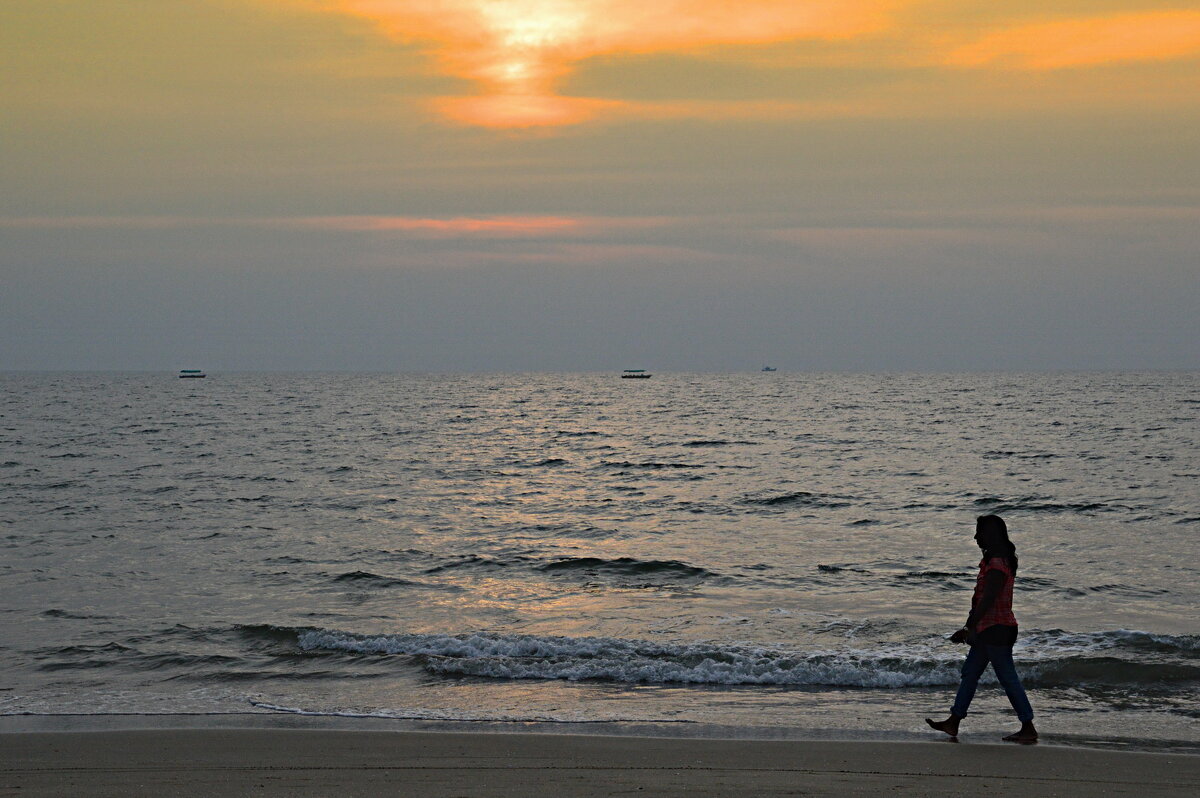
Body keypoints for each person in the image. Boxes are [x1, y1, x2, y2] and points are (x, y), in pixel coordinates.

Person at [926, 514, 1038, 742]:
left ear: (991, 535)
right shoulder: (996, 560)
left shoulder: (997, 563)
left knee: (1007, 679)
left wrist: (969, 627)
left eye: (980, 533)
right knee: (970, 674)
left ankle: (1028, 726)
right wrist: (972, 625)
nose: (976, 537)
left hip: (996, 629)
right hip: (990, 629)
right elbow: (980, 599)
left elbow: (988, 600)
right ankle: (953, 721)